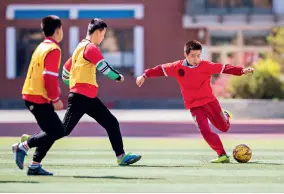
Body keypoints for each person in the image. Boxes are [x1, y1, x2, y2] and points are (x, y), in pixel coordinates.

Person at [21, 18, 141, 166]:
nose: (103, 38)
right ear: (97, 32)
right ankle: (29, 142)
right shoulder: (91, 48)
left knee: (111, 122)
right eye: (103, 34)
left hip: (87, 97)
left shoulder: (79, 48)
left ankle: (121, 156)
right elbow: (103, 67)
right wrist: (118, 77)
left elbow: (65, 71)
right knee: (62, 130)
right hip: (81, 98)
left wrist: (73, 84)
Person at [136, 40, 254, 163]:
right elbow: (160, 69)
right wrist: (144, 75)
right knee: (205, 131)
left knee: (224, 128)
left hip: (210, 102)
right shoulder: (177, 67)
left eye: (198, 55)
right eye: (193, 56)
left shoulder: (206, 65)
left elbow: (224, 68)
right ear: (185, 55)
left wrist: (241, 71)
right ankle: (222, 155)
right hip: (194, 106)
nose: (196, 59)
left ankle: (225, 116)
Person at [13, 15, 65, 175]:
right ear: (57, 30)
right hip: (38, 97)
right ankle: (23, 146)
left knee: (50, 132)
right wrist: (55, 98)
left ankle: (35, 165)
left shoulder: (42, 46)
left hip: (32, 94)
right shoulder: (53, 49)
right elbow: (48, 76)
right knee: (57, 131)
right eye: (61, 29)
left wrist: (54, 91)